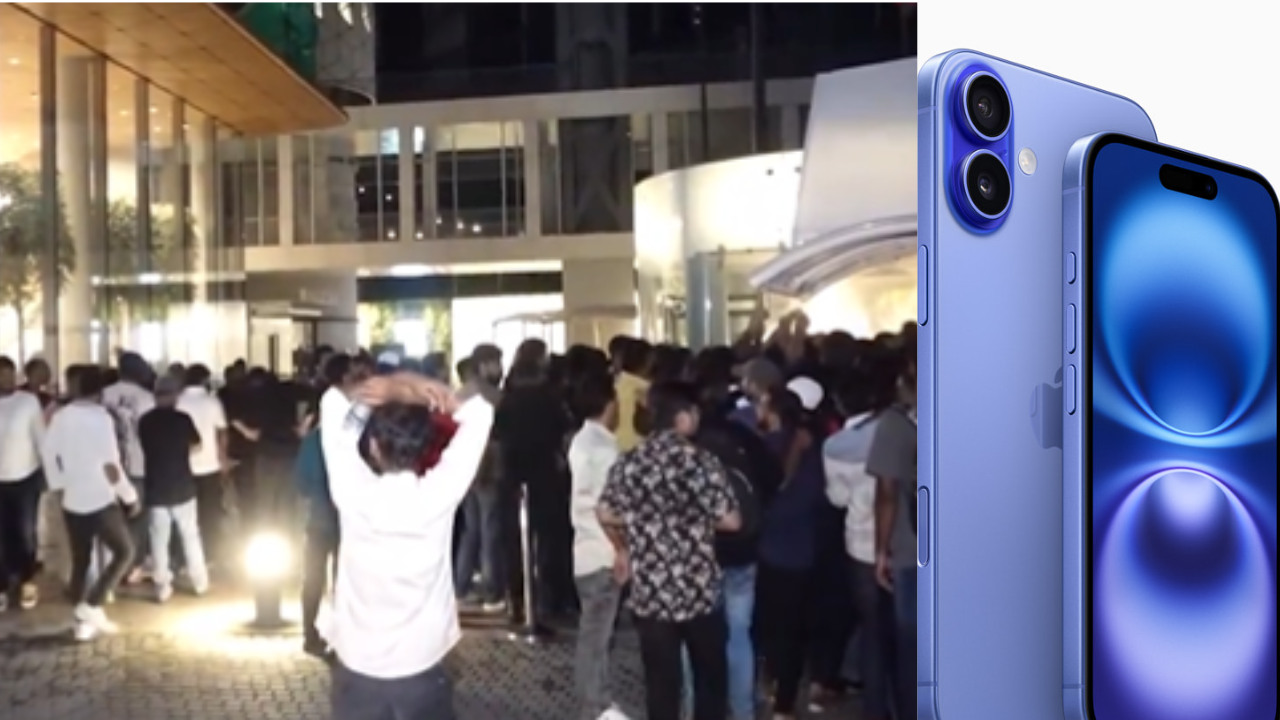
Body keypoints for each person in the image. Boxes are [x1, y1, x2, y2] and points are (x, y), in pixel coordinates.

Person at [318, 370, 492, 720]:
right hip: (422, 661)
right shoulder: (438, 495)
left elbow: (333, 403)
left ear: (373, 446)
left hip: (357, 662)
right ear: (428, 447)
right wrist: (419, 391)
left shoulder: (351, 491)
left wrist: (388, 387)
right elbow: (480, 412)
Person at [597, 380, 742, 720]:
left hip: (651, 593)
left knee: (661, 684)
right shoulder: (702, 462)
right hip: (698, 589)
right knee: (710, 680)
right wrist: (691, 518)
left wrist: (624, 548)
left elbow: (605, 512)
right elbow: (732, 521)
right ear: (682, 418)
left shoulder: (630, 461)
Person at [41, 366, 138, 641]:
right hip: (101, 497)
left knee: (81, 561)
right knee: (124, 552)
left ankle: (81, 621)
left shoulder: (61, 417)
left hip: (73, 498)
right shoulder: (101, 419)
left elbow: (48, 453)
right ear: (98, 391)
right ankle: (92, 605)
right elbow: (111, 465)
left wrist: (58, 485)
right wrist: (129, 496)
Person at [825, 357, 899, 720]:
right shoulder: (903, 430)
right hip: (905, 541)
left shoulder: (836, 446)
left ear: (840, 403)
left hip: (861, 545)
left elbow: (837, 499)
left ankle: (875, 709)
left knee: (871, 631)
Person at [568, 375, 630, 720]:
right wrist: (622, 548)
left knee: (594, 631)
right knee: (597, 634)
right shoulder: (605, 448)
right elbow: (607, 506)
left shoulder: (581, 440)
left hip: (585, 548)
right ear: (609, 404)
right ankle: (595, 703)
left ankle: (596, 698)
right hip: (603, 550)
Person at [869, 338, 918, 720]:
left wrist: (880, 550)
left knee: (913, 645)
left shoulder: (897, 422)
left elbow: (886, 492)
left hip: (912, 547)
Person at [137, 375, 208, 603]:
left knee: (159, 539)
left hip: (156, 486)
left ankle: (162, 587)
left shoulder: (145, 421)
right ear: (174, 396)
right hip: (182, 485)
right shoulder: (182, 419)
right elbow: (197, 444)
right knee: (190, 535)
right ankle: (200, 581)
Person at [453, 350, 506, 613]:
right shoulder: (492, 397)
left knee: (470, 531)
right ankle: (491, 591)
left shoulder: (457, 396)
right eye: (497, 362)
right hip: (488, 470)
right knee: (490, 532)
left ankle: (460, 587)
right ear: (485, 365)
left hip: (464, 471)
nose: (500, 368)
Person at [102, 352, 156, 585]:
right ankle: (133, 565)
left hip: (107, 466)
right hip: (140, 463)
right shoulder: (147, 398)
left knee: (112, 517)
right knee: (138, 516)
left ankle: (112, 564)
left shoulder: (104, 395)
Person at [0, 355, 47, 612]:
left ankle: (27, 578)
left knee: (25, 533)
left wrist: (50, 473)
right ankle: (3, 584)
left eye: (9, 373)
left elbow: (41, 439)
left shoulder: (28, 402)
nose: (5, 379)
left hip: (25, 478)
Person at [176, 364, 230, 566]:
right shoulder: (212, 402)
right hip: (210, 464)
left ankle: (184, 557)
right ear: (205, 381)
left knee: (186, 515)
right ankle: (210, 554)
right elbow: (222, 432)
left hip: (183, 466)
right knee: (210, 512)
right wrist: (223, 458)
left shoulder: (179, 401)